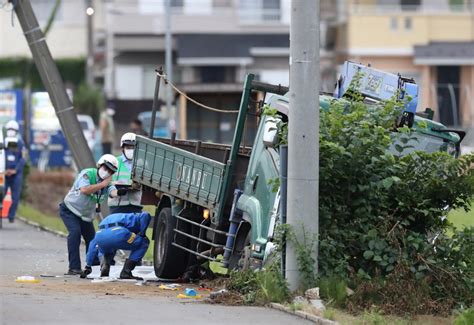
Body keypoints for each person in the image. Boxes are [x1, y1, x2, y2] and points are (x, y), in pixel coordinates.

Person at [59, 154, 127, 275]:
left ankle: (94, 266)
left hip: (85, 216)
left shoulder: (107, 184)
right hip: (70, 209)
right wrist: (102, 185)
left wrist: (120, 192)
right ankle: (73, 267)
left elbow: (113, 192)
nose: (106, 172)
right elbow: (84, 190)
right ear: (100, 165)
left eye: (110, 171)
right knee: (75, 233)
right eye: (105, 168)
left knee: (93, 240)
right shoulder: (87, 174)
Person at [80, 212, 151, 280]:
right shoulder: (134, 216)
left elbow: (92, 246)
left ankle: (105, 264)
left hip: (100, 234)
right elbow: (145, 215)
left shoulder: (112, 217)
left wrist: (88, 266)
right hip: (119, 232)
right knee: (144, 242)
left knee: (106, 247)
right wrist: (142, 233)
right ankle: (126, 272)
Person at [108, 132, 143, 214]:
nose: (131, 150)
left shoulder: (142, 164)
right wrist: (117, 191)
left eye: (133, 147)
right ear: (122, 148)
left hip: (135, 205)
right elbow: (108, 184)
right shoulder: (114, 162)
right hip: (117, 206)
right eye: (128, 147)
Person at [4, 120, 26, 223]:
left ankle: (11, 215)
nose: (11, 131)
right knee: (1, 193)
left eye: (13, 130)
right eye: (9, 129)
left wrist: (15, 170)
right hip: (4, 173)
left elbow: (23, 158)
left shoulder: (20, 143)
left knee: (16, 197)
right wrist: (5, 170)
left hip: (16, 174)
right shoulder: (3, 143)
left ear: (16, 131)